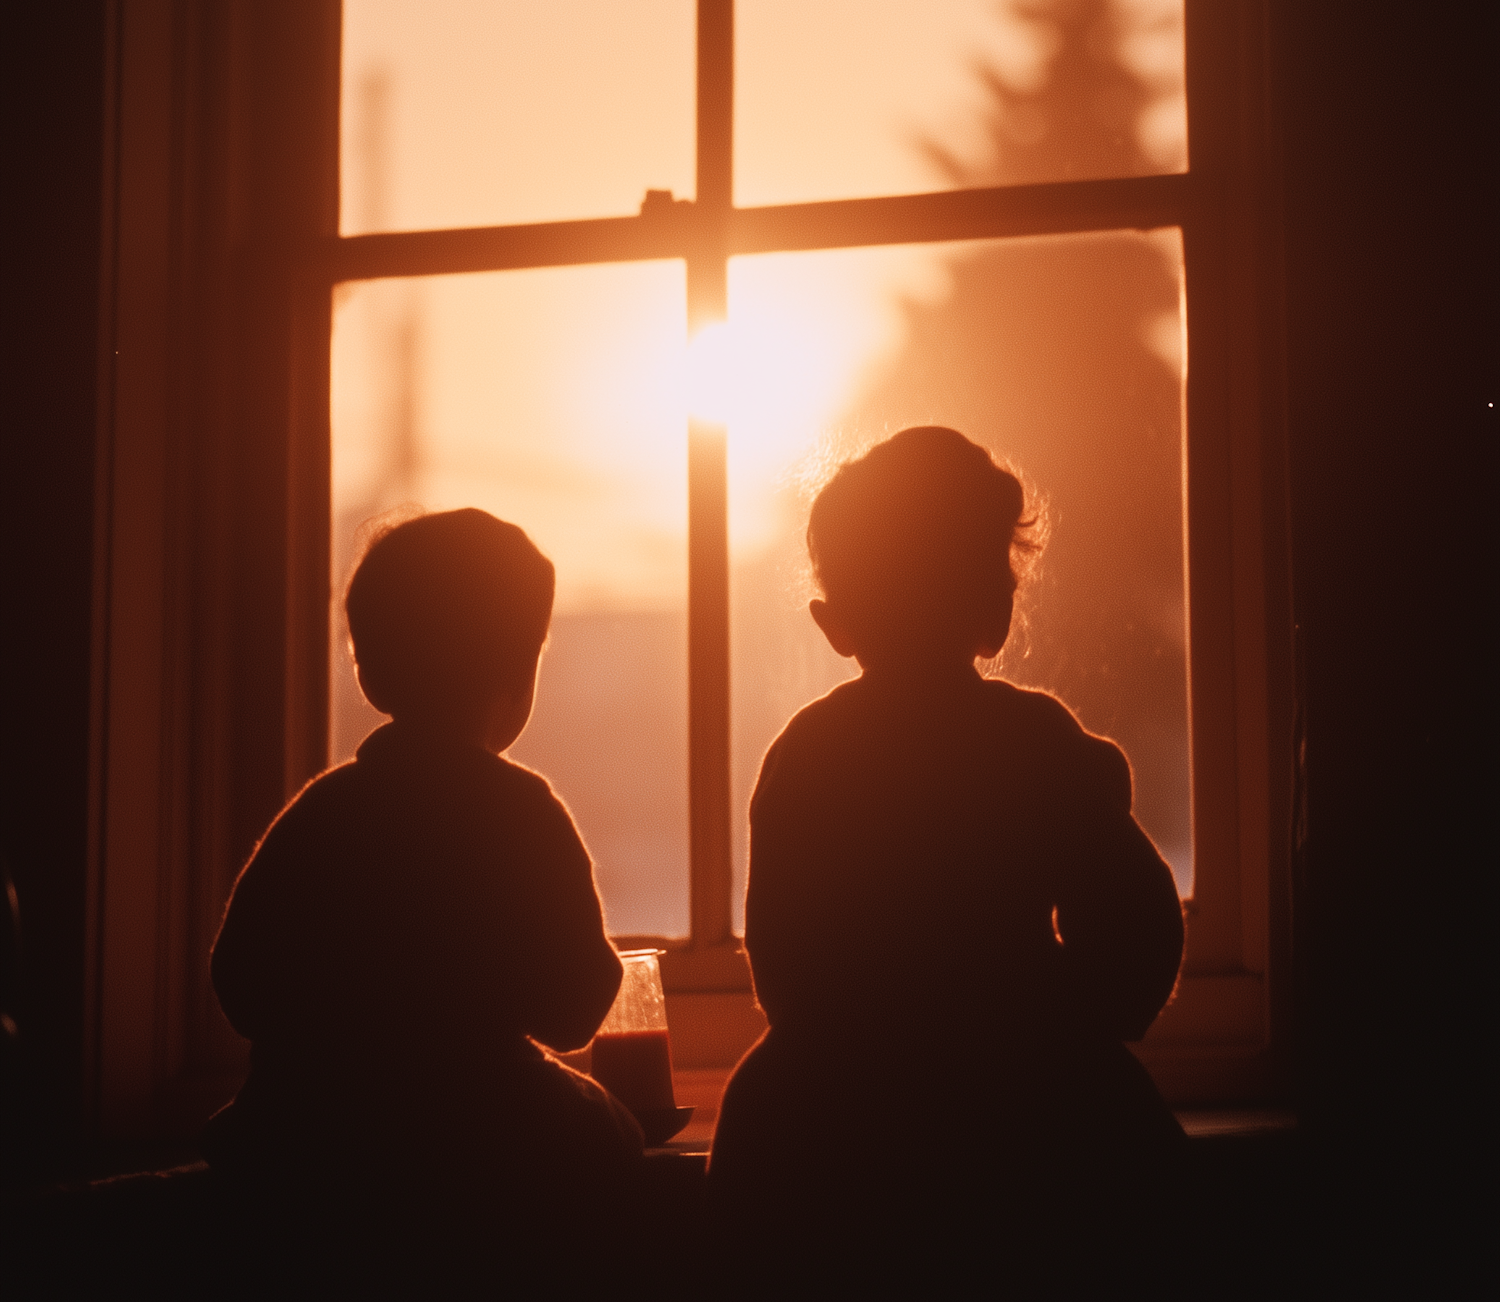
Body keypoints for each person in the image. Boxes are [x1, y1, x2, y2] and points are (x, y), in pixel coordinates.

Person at [708, 426, 1186, 1255]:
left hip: (831, 1127)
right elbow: (1142, 939)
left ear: (835, 622)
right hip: (1033, 1118)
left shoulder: (807, 755)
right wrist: (1045, 1021)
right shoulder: (1037, 744)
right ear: (997, 606)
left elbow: (784, 972)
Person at [204, 508, 642, 1217]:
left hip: (305, 1137)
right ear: (519, 671)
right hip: (477, 1130)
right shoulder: (521, 813)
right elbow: (575, 1007)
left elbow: (239, 981)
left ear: (368, 670)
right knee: (610, 1138)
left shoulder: (321, 813)